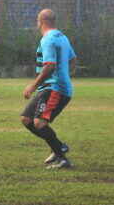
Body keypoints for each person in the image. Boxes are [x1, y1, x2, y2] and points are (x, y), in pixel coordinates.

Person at [20, 9, 75, 169]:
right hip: (49, 87)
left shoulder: (48, 39)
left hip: (54, 88)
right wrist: (65, 74)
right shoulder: (62, 37)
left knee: (39, 123)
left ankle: (62, 158)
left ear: (41, 21)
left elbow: (50, 66)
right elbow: (73, 59)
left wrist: (33, 86)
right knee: (26, 119)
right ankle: (59, 146)